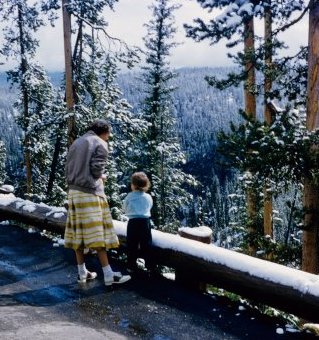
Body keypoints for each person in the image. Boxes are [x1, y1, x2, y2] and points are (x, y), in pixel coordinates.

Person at [64, 119, 131, 286]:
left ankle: (82, 272)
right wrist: (101, 177)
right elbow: (96, 170)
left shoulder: (77, 142)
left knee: (78, 233)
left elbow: (68, 167)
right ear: (104, 131)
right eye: (109, 134)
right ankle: (108, 274)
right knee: (97, 233)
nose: (109, 137)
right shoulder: (100, 143)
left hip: (73, 192)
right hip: (89, 193)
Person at [123, 172, 154, 273]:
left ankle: (131, 265)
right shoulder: (148, 196)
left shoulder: (129, 196)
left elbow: (124, 207)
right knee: (146, 243)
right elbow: (150, 206)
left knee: (132, 244)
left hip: (133, 222)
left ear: (134, 185)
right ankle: (149, 265)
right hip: (145, 222)